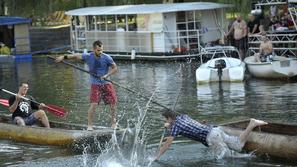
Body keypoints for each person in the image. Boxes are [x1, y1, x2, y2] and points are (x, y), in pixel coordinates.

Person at [155, 109, 268, 160]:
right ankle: (252, 124)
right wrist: (169, 127)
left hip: (212, 137)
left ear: (169, 118)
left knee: (227, 157)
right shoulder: (183, 116)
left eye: (166, 119)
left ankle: (250, 158)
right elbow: (192, 125)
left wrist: (157, 156)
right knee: (238, 145)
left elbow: (167, 144)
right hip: (215, 130)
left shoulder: (175, 126)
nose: (165, 121)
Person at [55, 40, 118, 130]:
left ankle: (113, 124)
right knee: (94, 104)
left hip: (107, 83)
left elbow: (115, 68)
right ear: (93, 49)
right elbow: (76, 56)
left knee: (113, 104)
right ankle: (89, 126)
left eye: (101, 50)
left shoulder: (107, 58)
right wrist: (63, 57)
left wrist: (106, 75)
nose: (100, 52)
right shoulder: (88, 56)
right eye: (98, 50)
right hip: (95, 84)